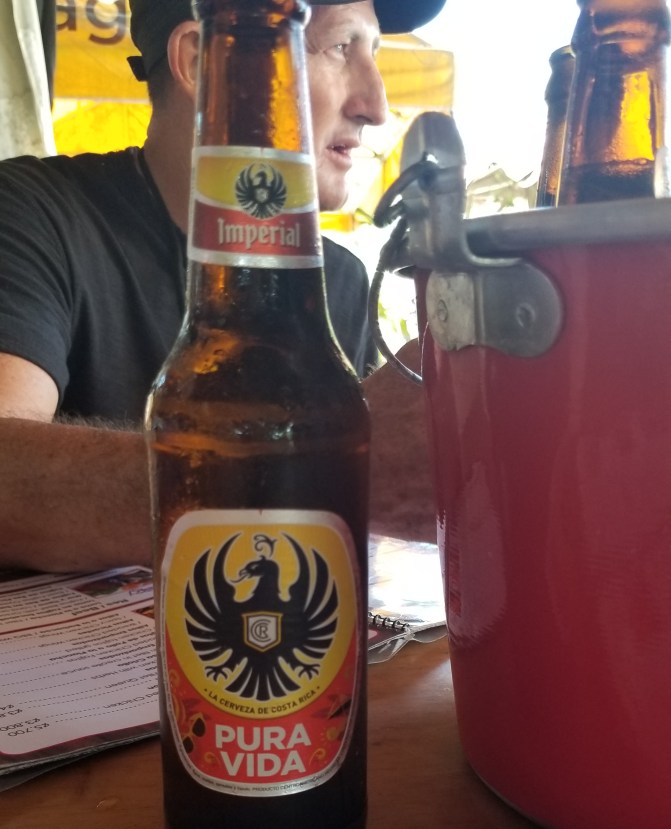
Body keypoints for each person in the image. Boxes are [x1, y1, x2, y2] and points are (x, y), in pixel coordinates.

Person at [0, 0, 445, 572]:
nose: (376, 105)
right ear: (203, 62)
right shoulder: (31, 214)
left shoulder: (336, 277)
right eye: (340, 47)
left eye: (374, 54)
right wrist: (324, 472)